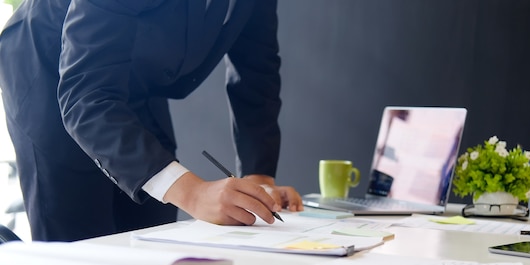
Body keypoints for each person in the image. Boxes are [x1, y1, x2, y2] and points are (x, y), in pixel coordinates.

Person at [0, 0, 303, 242]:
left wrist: (257, 177)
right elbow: (87, 97)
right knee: (84, 246)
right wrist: (195, 193)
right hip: (50, 71)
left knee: (151, 230)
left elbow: (257, 69)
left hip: (136, 72)